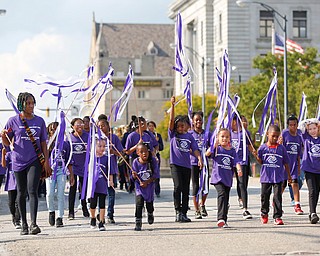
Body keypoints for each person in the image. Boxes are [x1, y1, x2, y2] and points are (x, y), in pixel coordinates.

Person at [1, 92, 51, 235]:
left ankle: (34, 224)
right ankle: (23, 224)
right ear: (21, 104)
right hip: (18, 161)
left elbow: (43, 143)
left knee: (32, 191)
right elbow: (6, 142)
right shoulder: (12, 121)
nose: (31, 106)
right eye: (28, 103)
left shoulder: (40, 121)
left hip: (34, 160)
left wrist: (46, 162)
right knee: (21, 192)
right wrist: (4, 136)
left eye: (32, 103)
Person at [168, 96, 203, 222]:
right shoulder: (172, 135)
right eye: (179, 126)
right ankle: (177, 211)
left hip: (187, 166)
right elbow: (171, 120)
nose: (181, 128)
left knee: (185, 189)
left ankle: (184, 213)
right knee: (177, 187)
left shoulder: (189, 136)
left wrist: (199, 159)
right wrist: (172, 106)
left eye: (183, 126)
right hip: (175, 165)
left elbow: (195, 149)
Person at [252, 125, 292, 225]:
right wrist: (256, 156)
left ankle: (277, 216)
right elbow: (261, 161)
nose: (275, 138)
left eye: (277, 136)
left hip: (278, 177)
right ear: (267, 134)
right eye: (273, 136)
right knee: (264, 196)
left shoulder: (281, 148)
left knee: (277, 197)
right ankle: (264, 213)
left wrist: (289, 176)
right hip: (266, 177)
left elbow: (286, 162)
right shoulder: (262, 148)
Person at [206, 128, 242, 228]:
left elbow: (236, 162)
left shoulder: (232, 151)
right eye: (222, 136)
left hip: (227, 179)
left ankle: (224, 220)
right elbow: (207, 154)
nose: (224, 139)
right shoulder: (217, 149)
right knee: (221, 195)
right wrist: (214, 145)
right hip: (218, 178)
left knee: (225, 199)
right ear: (218, 137)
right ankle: (220, 218)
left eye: (227, 137)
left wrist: (239, 169)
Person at [46, 122, 74, 227]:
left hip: (61, 171)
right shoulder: (47, 143)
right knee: (50, 193)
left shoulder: (65, 144)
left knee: (60, 194)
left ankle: (60, 217)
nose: (54, 132)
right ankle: (51, 211)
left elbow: (69, 161)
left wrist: (71, 175)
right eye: (52, 130)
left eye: (56, 130)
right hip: (50, 171)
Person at [97, 114, 124, 224]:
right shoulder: (96, 139)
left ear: (108, 126)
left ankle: (110, 214)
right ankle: (100, 214)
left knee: (111, 192)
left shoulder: (114, 138)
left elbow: (121, 153)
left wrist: (113, 151)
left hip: (111, 168)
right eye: (99, 126)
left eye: (103, 125)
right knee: (100, 193)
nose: (101, 128)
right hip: (100, 169)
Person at [125, 115, 158, 193]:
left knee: (147, 175)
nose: (146, 125)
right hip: (135, 160)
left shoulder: (147, 136)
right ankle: (135, 189)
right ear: (140, 124)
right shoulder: (131, 136)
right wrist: (137, 146)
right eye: (145, 124)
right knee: (136, 176)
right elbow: (127, 151)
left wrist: (154, 156)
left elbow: (151, 148)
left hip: (146, 160)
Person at [231, 115, 255, 219]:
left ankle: (245, 208)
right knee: (233, 183)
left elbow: (250, 146)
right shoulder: (228, 133)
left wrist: (255, 153)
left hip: (243, 161)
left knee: (242, 184)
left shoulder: (245, 133)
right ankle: (228, 202)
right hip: (231, 162)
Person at [131, 143, 160, 231]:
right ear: (137, 153)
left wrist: (147, 182)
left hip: (149, 188)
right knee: (139, 203)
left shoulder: (152, 161)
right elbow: (132, 178)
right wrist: (134, 175)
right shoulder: (135, 162)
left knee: (149, 204)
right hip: (139, 188)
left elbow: (155, 175)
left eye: (146, 151)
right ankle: (138, 221)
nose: (144, 154)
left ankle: (150, 213)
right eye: (141, 152)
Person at [279, 115, 304, 214]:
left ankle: (297, 205)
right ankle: (276, 202)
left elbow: (298, 154)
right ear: (288, 125)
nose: (292, 127)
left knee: (295, 183)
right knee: (282, 185)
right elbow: (280, 147)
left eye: (294, 125)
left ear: (297, 125)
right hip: (284, 165)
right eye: (290, 125)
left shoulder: (299, 137)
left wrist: (298, 167)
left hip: (293, 164)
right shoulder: (285, 134)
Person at [89, 139, 115, 231]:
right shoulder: (91, 158)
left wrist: (111, 181)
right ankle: (92, 218)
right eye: (99, 146)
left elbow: (110, 171)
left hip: (102, 184)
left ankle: (101, 221)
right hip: (93, 185)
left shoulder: (106, 158)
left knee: (102, 203)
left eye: (104, 146)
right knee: (93, 203)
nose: (102, 148)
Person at [189, 111, 210, 219]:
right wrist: (198, 157)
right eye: (196, 120)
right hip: (193, 162)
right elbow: (188, 148)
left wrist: (207, 153)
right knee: (196, 186)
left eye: (200, 120)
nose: (198, 122)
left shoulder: (207, 133)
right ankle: (196, 209)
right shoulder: (190, 134)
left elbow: (212, 146)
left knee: (205, 185)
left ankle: (203, 205)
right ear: (192, 121)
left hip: (205, 163)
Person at [298, 118, 320, 224]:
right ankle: (312, 213)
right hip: (309, 169)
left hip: (319, 170)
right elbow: (300, 126)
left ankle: (313, 212)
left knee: (317, 192)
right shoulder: (306, 138)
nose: (312, 131)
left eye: (314, 128)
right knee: (312, 191)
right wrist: (310, 120)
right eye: (310, 129)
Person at [68, 117, 90, 219]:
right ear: (73, 126)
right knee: (72, 189)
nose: (80, 126)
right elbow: (67, 154)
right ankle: (71, 211)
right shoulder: (69, 138)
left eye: (81, 124)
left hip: (84, 167)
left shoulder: (87, 137)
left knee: (83, 189)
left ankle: (84, 208)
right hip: (73, 167)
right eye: (78, 124)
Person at [2, 146, 21, 229]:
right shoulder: (9, 154)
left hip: (20, 181)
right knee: (11, 203)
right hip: (11, 182)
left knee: (18, 202)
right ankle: (13, 216)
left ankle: (17, 220)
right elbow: (4, 165)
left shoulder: (21, 155)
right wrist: (3, 154)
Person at [147, 120, 164, 197]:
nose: (151, 128)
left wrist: (157, 143)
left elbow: (161, 147)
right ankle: (149, 189)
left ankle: (157, 190)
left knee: (156, 173)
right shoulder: (146, 135)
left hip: (156, 156)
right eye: (149, 126)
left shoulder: (158, 135)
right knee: (149, 173)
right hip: (148, 156)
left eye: (152, 126)